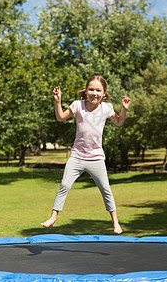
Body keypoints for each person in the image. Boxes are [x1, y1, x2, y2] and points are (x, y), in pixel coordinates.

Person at [41, 75, 130, 234]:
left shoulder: (107, 108)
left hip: (96, 157)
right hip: (77, 156)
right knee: (65, 185)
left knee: (105, 188)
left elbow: (119, 122)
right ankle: (53, 217)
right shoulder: (77, 105)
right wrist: (57, 101)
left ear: (104, 93)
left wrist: (124, 109)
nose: (94, 93)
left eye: (98, 90)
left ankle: (115, 222)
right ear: (85, 91)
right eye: (91, 89)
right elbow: (60, 118)